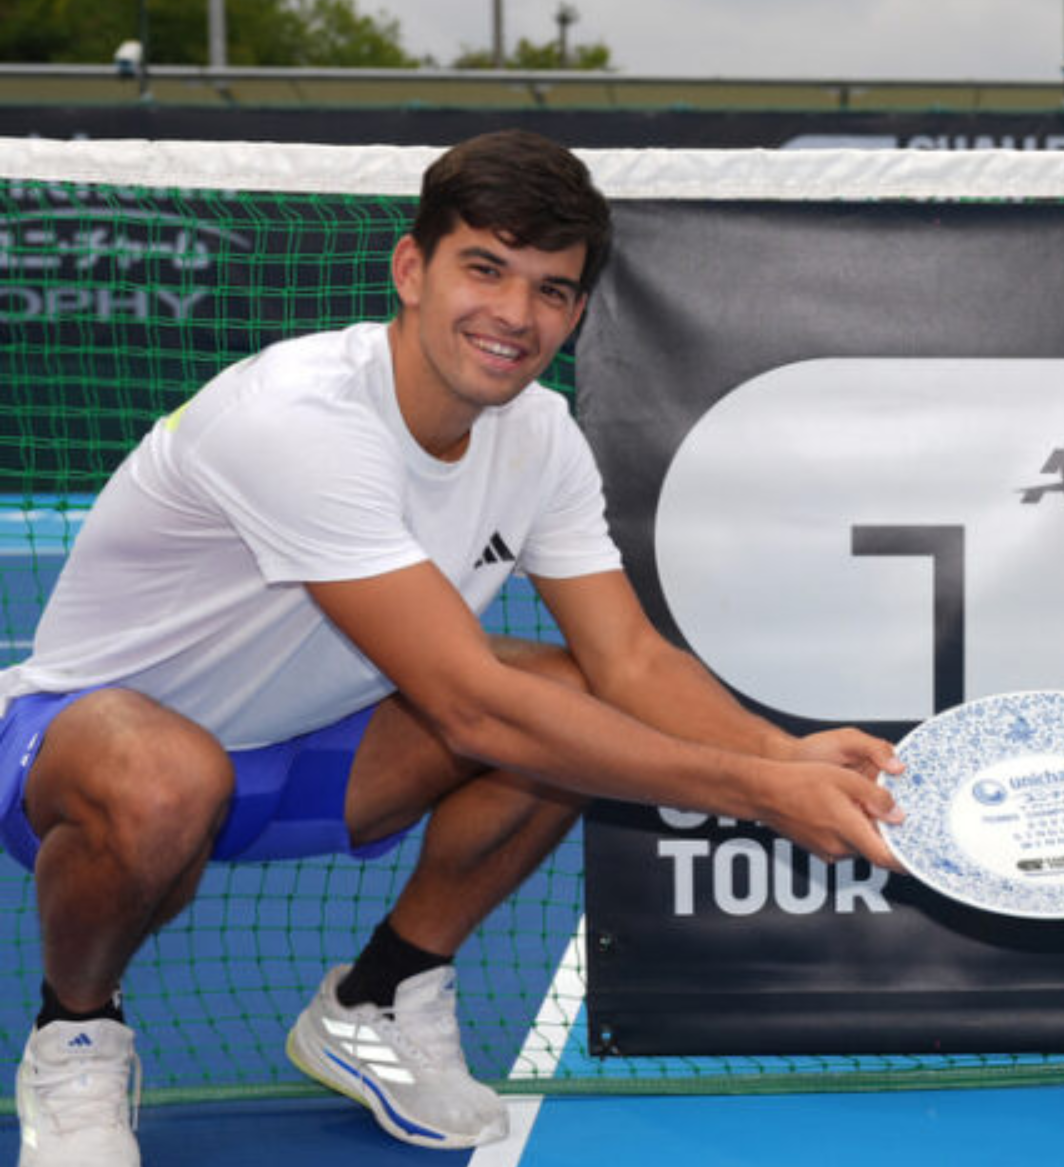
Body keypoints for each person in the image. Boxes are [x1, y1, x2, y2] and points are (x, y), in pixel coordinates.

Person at [0, 129, 904, 1166]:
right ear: (409, 269)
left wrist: (784, 758)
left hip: (303, 756)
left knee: (568, 702)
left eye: (553, 291)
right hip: (88, 755)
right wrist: (754, 793)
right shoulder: (299, 419)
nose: (516, 317)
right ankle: (75, 1028)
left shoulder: (541, 438)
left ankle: (378, 997)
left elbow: (630, 666)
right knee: (180, 772)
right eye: (486, 269)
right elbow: (471, 704)